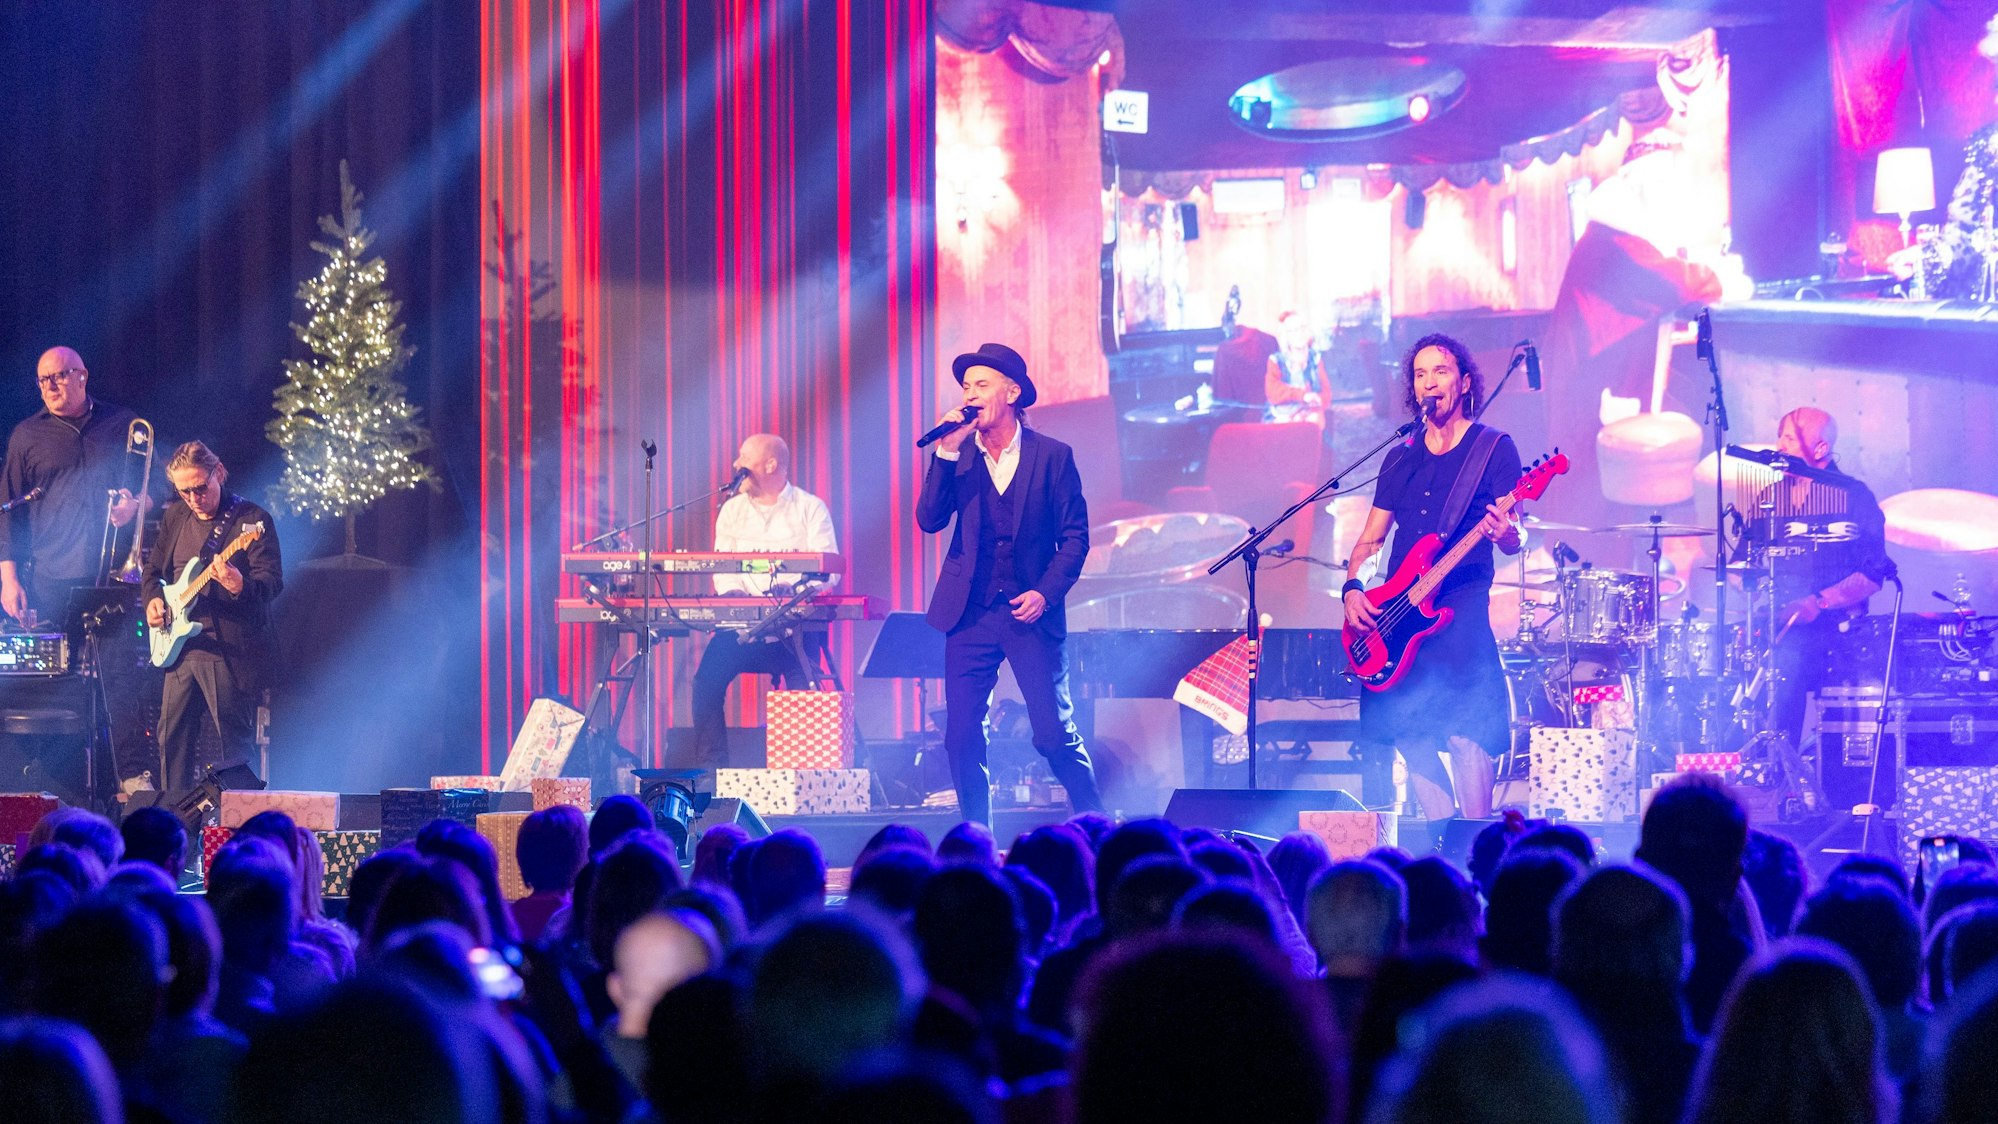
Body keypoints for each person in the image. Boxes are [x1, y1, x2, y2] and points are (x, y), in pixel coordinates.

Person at [918, 342, 1104, 827]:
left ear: (1012, 391)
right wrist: (945, 451)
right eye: (966, 387)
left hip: (1029, 612)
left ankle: (1098, 824)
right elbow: (929, 519)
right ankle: (977, 837)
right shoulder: (957, 455)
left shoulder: (1053, 457)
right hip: (970, 612)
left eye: (981, 385)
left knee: (1052, 734)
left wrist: (1045, 592)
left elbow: (1075, 538)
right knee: (960, 735)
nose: (970, 395)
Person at [1343, 333, 1524, 819]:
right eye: (1420, 374)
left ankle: (1477, 847)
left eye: (1440, 371)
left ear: (1464, 383)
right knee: (1409, 730)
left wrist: (1507, 535)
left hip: (1459, 605)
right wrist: (1354, 586)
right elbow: (1370, 539)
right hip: (1401, 611)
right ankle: (1444, 849)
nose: (1429, 382)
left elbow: (1515, 536)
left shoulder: (1493, 449)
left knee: (1464, 734)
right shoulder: (1400, 457)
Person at [0, 347, 152, 793]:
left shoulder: (123, 423)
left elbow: (153, 485)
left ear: (82, 376)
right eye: (42, 380)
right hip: (51, 578)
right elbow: (9, 513)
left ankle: (131, 777)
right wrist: (7, 578)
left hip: (110, 576)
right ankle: (52, 781)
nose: (49, 386)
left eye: (59, 377)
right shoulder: (26, 435)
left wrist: (135, 506)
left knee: (121, 676)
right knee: (53, 681)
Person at [1736, 407, 1892, 755]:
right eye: (1779, 436)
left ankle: (1794, 776)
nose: (1779, 445)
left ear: (1820, 449)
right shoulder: (1768, 499)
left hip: (1837, 630)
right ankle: (1757, 775)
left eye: (1789, 438)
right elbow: (1740, 567)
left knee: (1789, 667)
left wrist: (1817, 603)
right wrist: (1750, 588)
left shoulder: (1854, 495)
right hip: (1778, 624)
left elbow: (1874, 573)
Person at [140, 441, 282, 794]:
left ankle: (242, 834)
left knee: (234, 751)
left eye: (200, 488)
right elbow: (152, 571)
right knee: (171, 743)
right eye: (184, 490)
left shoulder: (252, 521)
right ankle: (177, 835)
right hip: (180, 652)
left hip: (227, 653)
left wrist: (238, 585)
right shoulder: (175, 516)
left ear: (219, 473)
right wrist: (154, 600)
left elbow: (271, 584)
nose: (193, 498)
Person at [689, 433, 838, 767]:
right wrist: (733, 596)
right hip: (742, 626)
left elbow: (829, 571)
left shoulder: (810, 508)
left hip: (794, 628)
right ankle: (713, 772)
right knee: (705, 683)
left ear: (770, 465)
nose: (735, 465)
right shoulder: (731, 510)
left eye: (744, 457)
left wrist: (793, 592)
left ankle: (801, 770)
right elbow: (722, 567)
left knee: (805, 688)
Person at [1263, 310, 1330, 423]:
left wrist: (1318, 400)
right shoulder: (1276, 360)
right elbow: (1273, 392)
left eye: (1302, 328)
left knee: (1312, 421)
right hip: (1282, 412)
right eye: (1293, 331)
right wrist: (1302, 395)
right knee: (1284, 423)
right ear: (1285, 336)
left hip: (1309, 411)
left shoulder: (1315, 358)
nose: (1299, 334)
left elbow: (1326, 392)